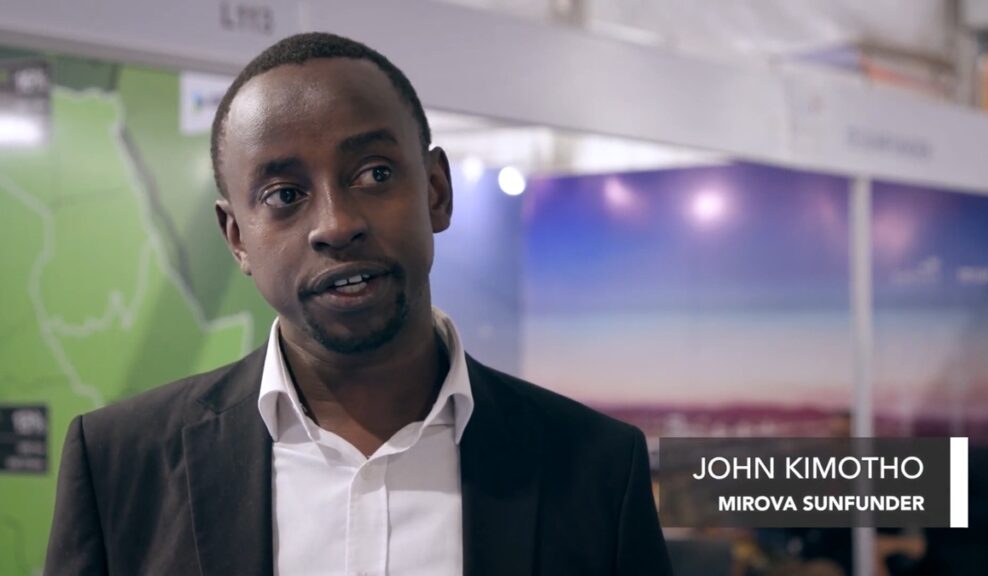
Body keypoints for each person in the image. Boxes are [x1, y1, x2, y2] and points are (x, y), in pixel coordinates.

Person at [44, 32, 673, 576]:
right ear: (236, 237)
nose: (337, 224)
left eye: (374, 173)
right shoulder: (120, 464)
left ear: (436, 192)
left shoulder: (594, 467)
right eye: (285, 194)